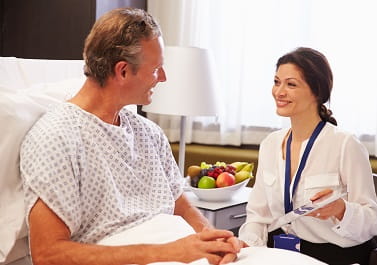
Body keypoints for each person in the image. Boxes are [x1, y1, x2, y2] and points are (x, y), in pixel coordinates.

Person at [19, 7, 241, 265]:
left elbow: (181, 205)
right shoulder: (56, 138)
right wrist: (168, 252)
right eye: (157, 68)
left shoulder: (149, 133)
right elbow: (48, 255)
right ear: (123, 71)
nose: (164, 78)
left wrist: (211, 240)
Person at [238, 47, 377, 265]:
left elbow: (372, 222)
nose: (279, 92)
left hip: (335, 256)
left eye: (291, 84)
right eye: (277, 82)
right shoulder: (270, 144)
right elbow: (258, 215)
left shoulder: (345, 144)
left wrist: (342, 210)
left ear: (317, 91)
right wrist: (248, 248)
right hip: (284, 253)